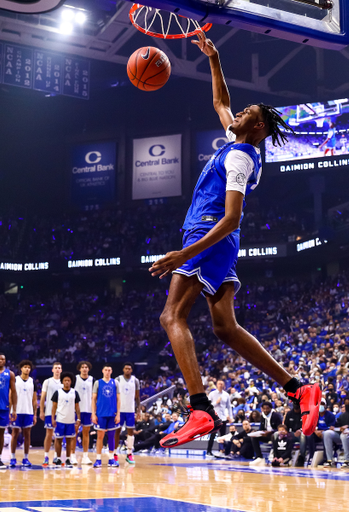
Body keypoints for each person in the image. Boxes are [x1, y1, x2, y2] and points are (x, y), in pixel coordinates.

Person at [148, 31, 320, 448]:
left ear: (257, 126)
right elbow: (220, 103)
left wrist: (182, 254)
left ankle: (200, 409)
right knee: (225, 327)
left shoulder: (242, 156)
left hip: (208, 234)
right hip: (214, 242)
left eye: (247, 112)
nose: (236, 112)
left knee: (172, 316)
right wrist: (214, 58)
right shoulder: (236, 142)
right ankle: (298, 388)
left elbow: (231, 218)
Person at [92, 364, 120, 468]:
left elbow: (119, 399)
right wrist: (93, 414)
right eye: (106, 370)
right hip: (101, 414)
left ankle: (111, 459)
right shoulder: (97, 383)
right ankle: (98, 459)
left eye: (109, 370)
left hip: (112, 414)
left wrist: (118, 414)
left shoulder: (115, 382)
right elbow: (93, 399)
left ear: (111, 371)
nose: (107, 372)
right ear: (102, 371)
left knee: (111, 437)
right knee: (100, 436)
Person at [10, 360, 37, 468]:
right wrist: (11, 411)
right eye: (25, 367)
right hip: (17, 411)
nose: (27, 369)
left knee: (27, 435)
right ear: (21, 368)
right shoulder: (15, 380)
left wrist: (35, 414)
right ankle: (12, 457)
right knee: (15, 434)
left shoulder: (32, 381)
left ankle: (25, 458)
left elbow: (34, 400)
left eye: (29, 367)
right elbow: (10, 396)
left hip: (28, 411)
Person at [51, 372, 80, 468]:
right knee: (58, 440)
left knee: (69, 440)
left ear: (71, 382)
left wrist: (78, 418)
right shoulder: (58, 392)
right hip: (60, 420)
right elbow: (54, 407)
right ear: (62, 382)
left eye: (68, 380)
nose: (67, 382)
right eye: (65, 380)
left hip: (71, 420)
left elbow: (77, 407)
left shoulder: (74, 392)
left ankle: (68, 459)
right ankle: (58, 458)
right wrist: (52, 418)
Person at [114, 362, 140, 464]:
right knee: (117, 432)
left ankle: (129, 454)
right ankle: (114, 454)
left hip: (130, 410)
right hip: (119, 410)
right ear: (123, 369)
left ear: (131, 370)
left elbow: (137, 397)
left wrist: (138, 410)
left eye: (129, 369)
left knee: (131, 432)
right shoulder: (118, 379)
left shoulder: (135, 380)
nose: (127, 370)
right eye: (126, 368)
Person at [39, 361, 63, 467]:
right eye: (56, 368)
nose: (57, 369)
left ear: (61, 370)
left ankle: (57, 457)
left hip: (62, 412)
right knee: (49, 434)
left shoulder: (64, 382)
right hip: (49, 412)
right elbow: (43, 397)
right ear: (52, 370)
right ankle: (46, 456)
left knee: (59, 436)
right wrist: (41, 411)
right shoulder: (47, 381)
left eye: (59, 368)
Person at [73, 360, 94, 465]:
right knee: (74, 432)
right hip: (76, 410)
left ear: (88, 369)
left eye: (86, 367)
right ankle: (72, 455)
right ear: (79, 369)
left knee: (86, 433)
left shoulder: (92, 380)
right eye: (83, 367)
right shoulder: (75, 379)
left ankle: (85, 456)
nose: (85, 369)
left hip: (88, 409)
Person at [249, 402, 282, 466]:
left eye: (267, 409)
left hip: (275, 435)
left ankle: (274, 456)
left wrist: (270, 432)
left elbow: (280, 429)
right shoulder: (262, 416)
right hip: (266, 435)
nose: (265, 410)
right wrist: (257, 431)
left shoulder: (276, 415)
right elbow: (261, 428)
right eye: (264, 409)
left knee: (274, 435)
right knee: (253, 436)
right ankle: (259, 457)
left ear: (271, 408)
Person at [206, 379, 233, 456]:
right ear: (217, 385)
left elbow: (229, 406)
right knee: (213, 435)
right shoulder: (212, 394)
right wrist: (216, 402)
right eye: (219, 384)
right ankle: (209, 451)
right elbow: (208, 405)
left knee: (223, 436)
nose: (220, 385)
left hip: (223, 418)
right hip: (214, 418)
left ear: (224, 385)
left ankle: (222, 451)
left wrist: (230, 416)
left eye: (222, 384)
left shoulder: (226, 395)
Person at [306, 398, 336, 465]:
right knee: (309, 435)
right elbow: (311, 425)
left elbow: (331, 427)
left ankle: (325, 459)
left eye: (322, 404)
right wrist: (316, 431)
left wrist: (323, 431)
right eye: (319, 404)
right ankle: (312, 456)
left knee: (326, 435)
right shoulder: (314, 415)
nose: (320, 406)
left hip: (325, 432)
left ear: (325, 406)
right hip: (317, 433)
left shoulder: (331, 415)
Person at [322, 399, 349, 469]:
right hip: (340, 434)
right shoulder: (342, 416)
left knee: (344, 435)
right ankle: (330, 460)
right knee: (327, 433)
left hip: (346, 435)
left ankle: (347, 460)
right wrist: (336, 428)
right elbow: (338, 426)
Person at [284, 401, 305, 467]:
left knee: (303, 436)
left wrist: (301, 430)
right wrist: (284, 431)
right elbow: (285, 426)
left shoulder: (305, 413)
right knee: (279, 434)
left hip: (302, 433)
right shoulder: (289, 414)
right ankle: (282, 456)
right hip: (292, 433)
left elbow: (307, 425)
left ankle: (302, 457)